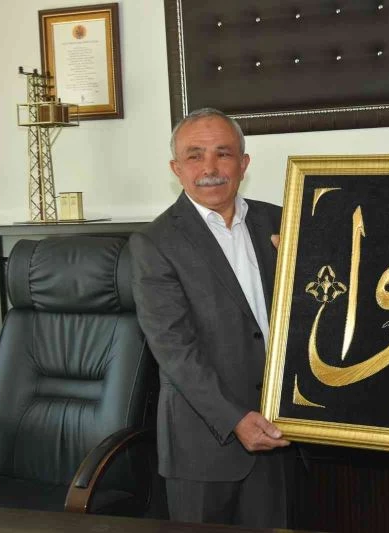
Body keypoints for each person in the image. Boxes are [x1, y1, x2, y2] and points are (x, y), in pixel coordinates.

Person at [129, 108, 291, 528]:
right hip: (203, 446)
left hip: (281, 435)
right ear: (176, 168)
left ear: (244, 163)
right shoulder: (154, 243)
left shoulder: (284, 221)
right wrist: (234, 418)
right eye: (195, 155)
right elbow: (174, 349)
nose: (210, 168)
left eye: (224, 153)